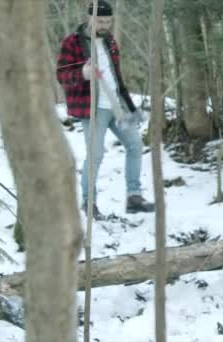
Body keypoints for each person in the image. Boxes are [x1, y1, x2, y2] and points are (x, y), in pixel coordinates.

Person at [56, 1, 154, 219]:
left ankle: (134, 197)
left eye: (108, 21)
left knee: (135, 145)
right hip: (93, 109)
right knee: (96, 155)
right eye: (99, 20)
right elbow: (61, 75)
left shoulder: (109, 40)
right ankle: (88, 204)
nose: (104, 25)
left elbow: (116, 77)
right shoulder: (72, 42)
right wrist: (82, 73)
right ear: (89, 17)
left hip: (116, 106)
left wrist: (130, 106)